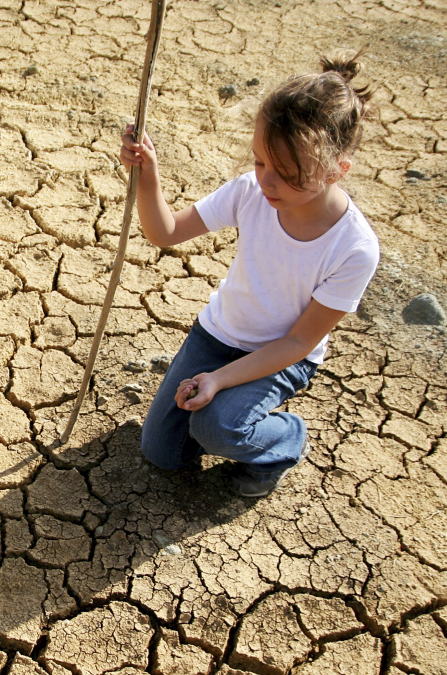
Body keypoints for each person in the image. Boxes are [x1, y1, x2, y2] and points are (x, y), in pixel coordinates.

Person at [120, 52, 380, 497]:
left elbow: (299, 341)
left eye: (289, 174)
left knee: (217, 425)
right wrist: (147, 175)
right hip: (217, 335)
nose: (267, 182)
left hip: (281, 357)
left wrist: (219, 381)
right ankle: (220, 417)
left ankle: (285, 441)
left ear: (338, 170)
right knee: (163, 454)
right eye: (260, 162)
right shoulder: (250, 191)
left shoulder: (354, 248)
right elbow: (165, 232)